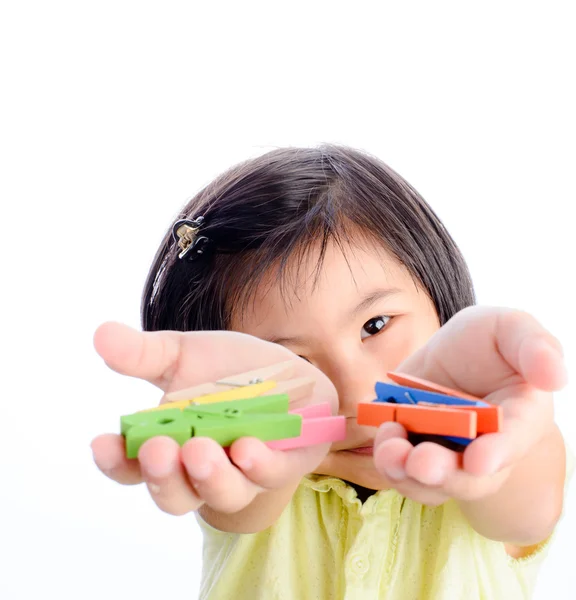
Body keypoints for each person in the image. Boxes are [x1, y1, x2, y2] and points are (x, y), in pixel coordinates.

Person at [91, 145, 571, 599]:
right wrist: (239, 435)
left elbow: (525, 494)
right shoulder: (261, 481)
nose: (352, 391)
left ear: (440, 303)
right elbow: (239, 499)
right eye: (295, 360)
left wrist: (499, 439)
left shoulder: (493, 473)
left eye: (375, 325)